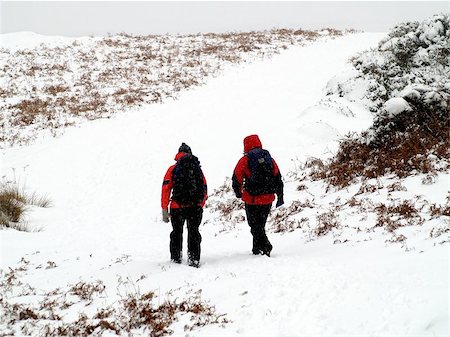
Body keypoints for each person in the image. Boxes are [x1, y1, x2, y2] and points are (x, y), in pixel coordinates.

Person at [232, 135, 284, 257]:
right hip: (268, 198)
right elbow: (277, 177)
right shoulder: (269, 159)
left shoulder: (245, 160)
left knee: (254, 225)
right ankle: (257, 249)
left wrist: (238, 192)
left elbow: (237, 177)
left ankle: (266, 246)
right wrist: (280, 195)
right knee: (260, 224)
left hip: (252, 199)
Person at [161, 143, 207, 268]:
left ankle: (176, 258)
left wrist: (164, 208)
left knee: (176, 232)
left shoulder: (173, 169)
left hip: (177, 207)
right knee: (194, 232)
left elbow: (166, 188)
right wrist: (200, 204)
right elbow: (204, 187)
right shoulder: (197, 168)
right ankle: (194, 259)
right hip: (194, 207)